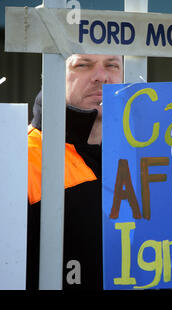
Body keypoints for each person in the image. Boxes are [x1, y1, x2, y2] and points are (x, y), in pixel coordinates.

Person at [27, 54, 124, 290]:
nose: (101, 77)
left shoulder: (152, 155)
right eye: (83, 65)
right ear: (52, 74)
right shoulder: (23, 157)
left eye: (112, 65)